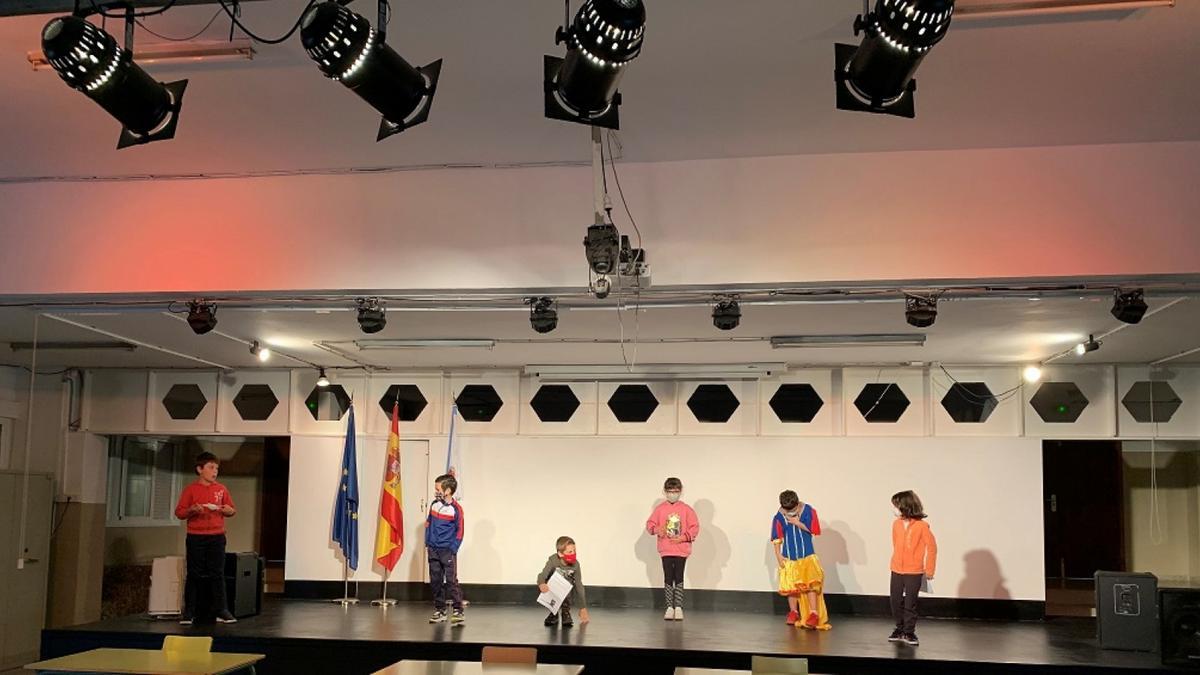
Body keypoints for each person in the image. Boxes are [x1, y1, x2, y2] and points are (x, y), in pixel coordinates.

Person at [174, 451, 237, 625]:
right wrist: (192, 511)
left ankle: (221, 610)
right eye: (210, 467)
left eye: (216, 468)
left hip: (217, 536)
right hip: (196, 537)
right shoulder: (190, 490)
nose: (214, 471)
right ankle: (190, 612)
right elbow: (179, 512)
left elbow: (232, 510)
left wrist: (226, 510)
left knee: (217, 574)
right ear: (200, 469)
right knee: (194, 574)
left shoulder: (221, 489)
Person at [772, 490, 829, 630]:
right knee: (791, 587)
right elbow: (777, 537)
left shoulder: (808, 511)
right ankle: (793, 611)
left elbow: (815, 530)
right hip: (789, 557)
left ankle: (813, 613)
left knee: (810, 585)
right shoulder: (779, 516)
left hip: (807, 555)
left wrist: (798, 523)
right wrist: (778, 555)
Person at [645, 476, 700, 620]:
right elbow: (650, 525)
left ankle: (679, 606)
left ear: (680, 491)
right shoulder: (660, 509)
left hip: (681, 549)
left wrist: (683, 537)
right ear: (665, 491)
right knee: (668, 577)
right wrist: (658, 530)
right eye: (670, 491)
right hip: (666, 549)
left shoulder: (687, 509)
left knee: (679, 576)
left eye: (675, 491)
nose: (672, 494)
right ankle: (669, 606)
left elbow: (695, 527)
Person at [889, 490, 937, 646]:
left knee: (911, 602)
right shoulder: (896, 524)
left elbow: (932, 547)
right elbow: (896, 544)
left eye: (896, 506)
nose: (894, 509)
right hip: (896, 569)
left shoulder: (922, 527)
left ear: (905, 506)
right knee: (895, 600)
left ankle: (909, 632)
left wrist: (929, 570)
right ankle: (899, 628)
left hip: (914, 571)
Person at [426, 474, 465, 625]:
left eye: (438, 488)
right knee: (435, 580)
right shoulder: (434, 504)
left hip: (447, 551)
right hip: (433, 549)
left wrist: (453, 549)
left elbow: (460, 531)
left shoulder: (456, 509)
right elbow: (429, 524)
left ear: (448, 490)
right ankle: (440, 610)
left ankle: (458, 610)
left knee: (451, 581)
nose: (435, 491)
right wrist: (428, 542)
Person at [537, 536, 590, 628]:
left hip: (566, 590)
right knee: (549, 584)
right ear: (560, 554)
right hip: (553, 588)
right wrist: (541, 583)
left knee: (569, 586)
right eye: (570, 552)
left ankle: (565, 612)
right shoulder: (553, 561)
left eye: (574, 551)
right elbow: (542, 575)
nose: (573, 554)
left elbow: (579, 585)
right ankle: (553, 613)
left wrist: (582, 607)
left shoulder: (575, 565)